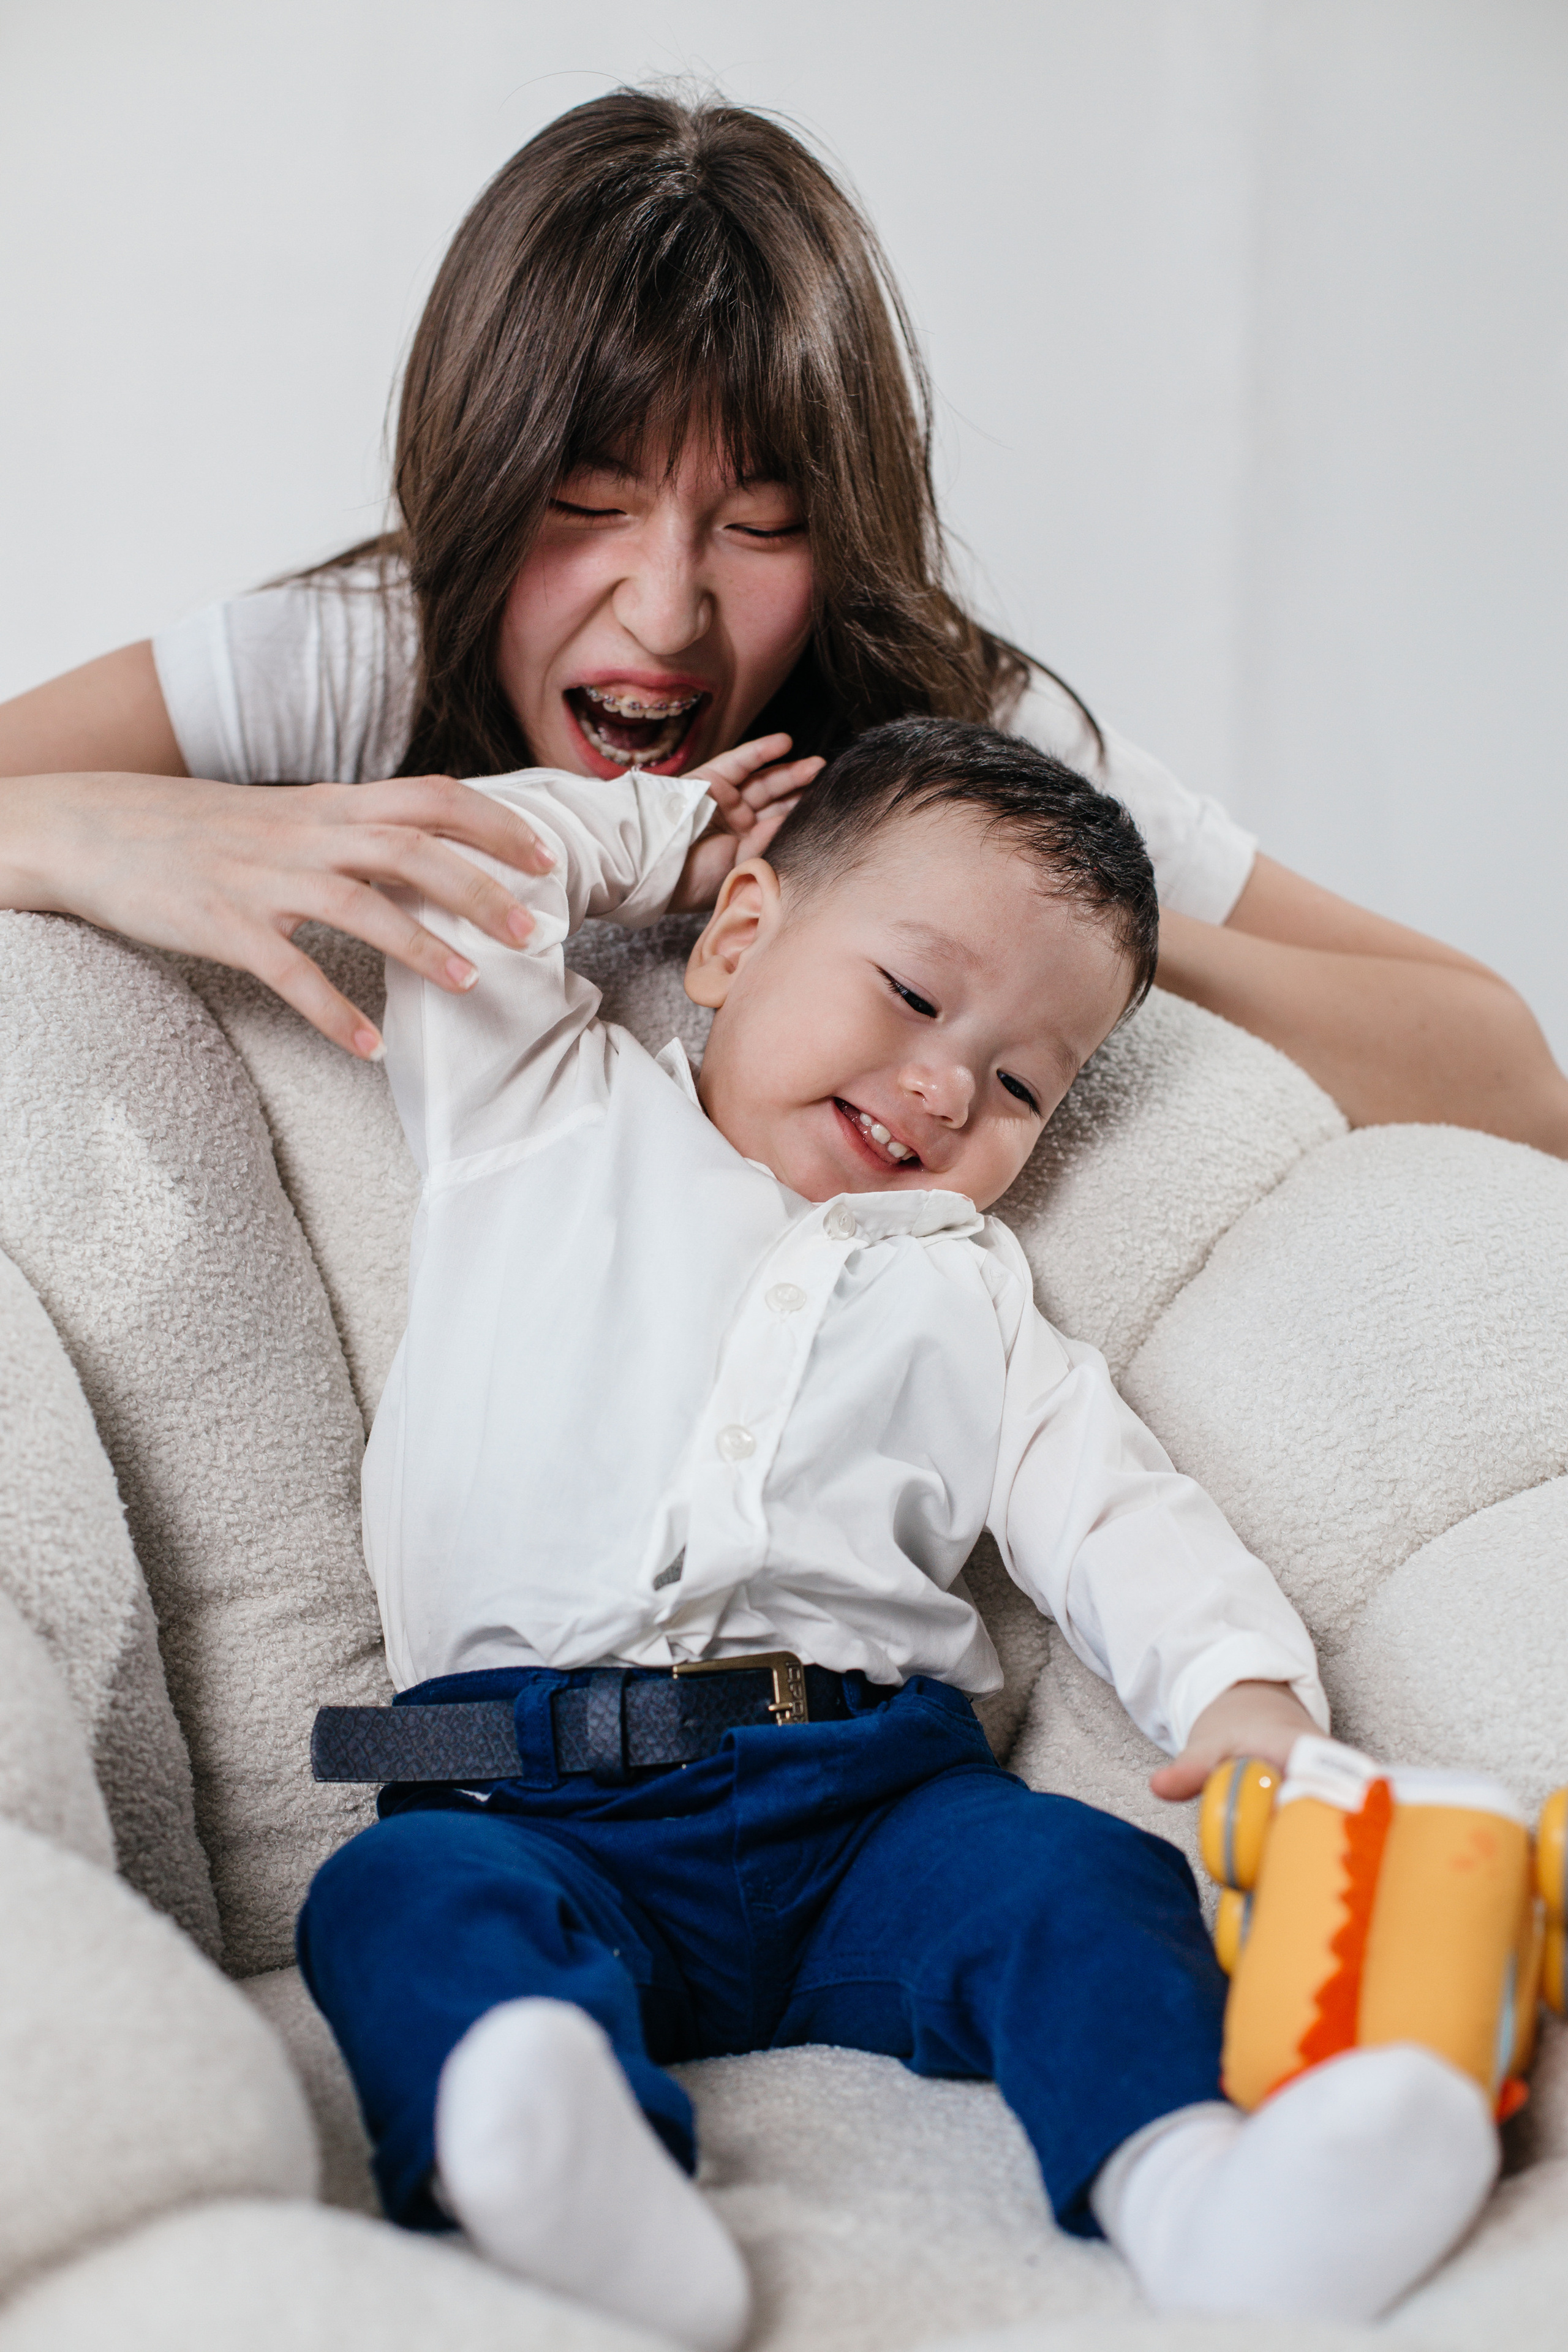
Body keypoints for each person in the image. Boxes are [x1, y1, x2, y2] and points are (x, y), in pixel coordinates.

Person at [300, 719, 1501, 2352]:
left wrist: (1245, 1701)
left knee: (1071, 1878)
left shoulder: (967, 1288)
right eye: (916, 998)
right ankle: (551, 2167)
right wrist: (664, 829)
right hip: (524, 1793)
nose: (946, 1087)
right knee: (399, 1896)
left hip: (864, 1806)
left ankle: (1200, 2192)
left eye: (1020, 1084)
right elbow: (461, 866)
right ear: (739, 935)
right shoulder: (540, 1111)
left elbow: (1115, 1507)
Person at [1, 89, 1564, 1153]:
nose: (665, 605)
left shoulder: (948, 726)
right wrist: (106, 834)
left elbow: (1508, 1078)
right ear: (474, 482)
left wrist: (1029, 933)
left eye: (760, 524)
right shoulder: (369, 650)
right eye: (587, 504)